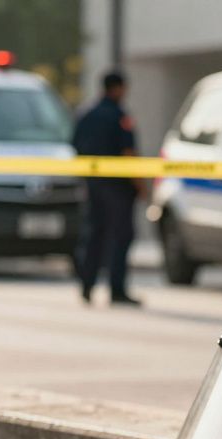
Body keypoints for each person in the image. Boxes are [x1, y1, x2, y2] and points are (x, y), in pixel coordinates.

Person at [72, 71, 142, 306]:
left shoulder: (86, 114)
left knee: (94, 236)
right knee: (120, 238)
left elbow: (75, 148)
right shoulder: (119, 115)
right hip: (118, 188)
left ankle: (87, 286)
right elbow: (128, 154)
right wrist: (140, 185)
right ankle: (117, 289)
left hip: (93, 186)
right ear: (118, 88)